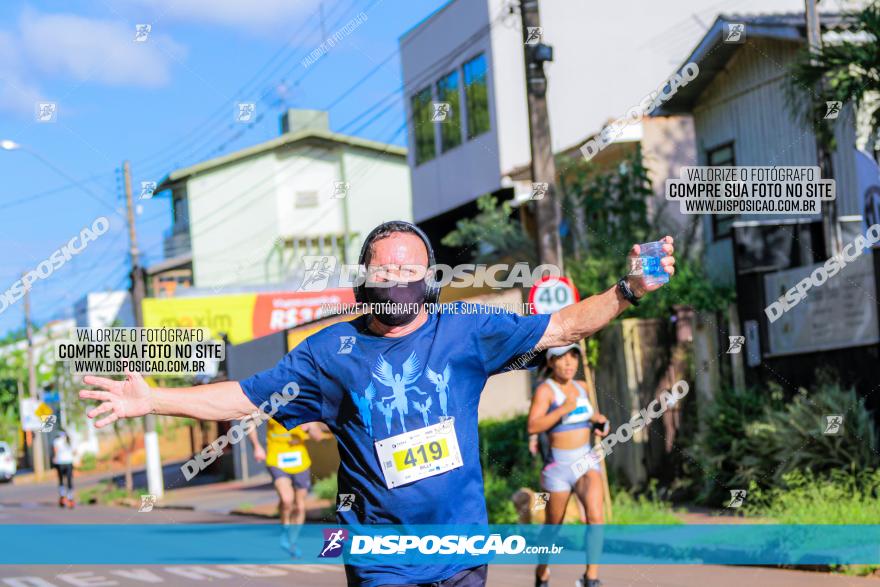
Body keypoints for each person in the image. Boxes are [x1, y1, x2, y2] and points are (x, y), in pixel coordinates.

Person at [79, 220, 674, 587]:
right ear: (362, 279)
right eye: (383, 268)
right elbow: (245, 397)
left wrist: (627, 290)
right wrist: (153, 397)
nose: (396, 276)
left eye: (409, 267)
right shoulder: (329, 351)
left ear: (431, 278)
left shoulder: (466, 328)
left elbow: (562, 325)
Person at [527, 344, 609, 587]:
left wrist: (601, 423)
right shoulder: (546, 391)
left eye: (573, 358)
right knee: (553, 526)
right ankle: (542, 570)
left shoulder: (582, 387)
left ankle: (591, 578)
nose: (569, 364)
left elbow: (590, 416)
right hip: (558, 469)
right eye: (562, 359)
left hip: (586, 461)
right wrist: (563, 409)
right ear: (551, 362)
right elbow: (533, 426)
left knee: (595, 518)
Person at [247, 419, 322, 556]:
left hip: (301, 462)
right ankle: (285, 530)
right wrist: (256, 446)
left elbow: (318, 437)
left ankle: (292, 541)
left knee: (300, 506)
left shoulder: (304, 407)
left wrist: (310, 426)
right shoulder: (272, 404)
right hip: (276, 459)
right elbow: (250, 422)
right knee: (287, 500)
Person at [52, 429, 75, 509]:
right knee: (69, 480)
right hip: (69, 462)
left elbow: (55, 451)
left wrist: (54, 458)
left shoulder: (56, 441)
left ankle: (62, 497)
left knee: (61, 480)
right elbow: (74, 451)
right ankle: (70, 498)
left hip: (60, 462)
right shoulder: (69, 440)